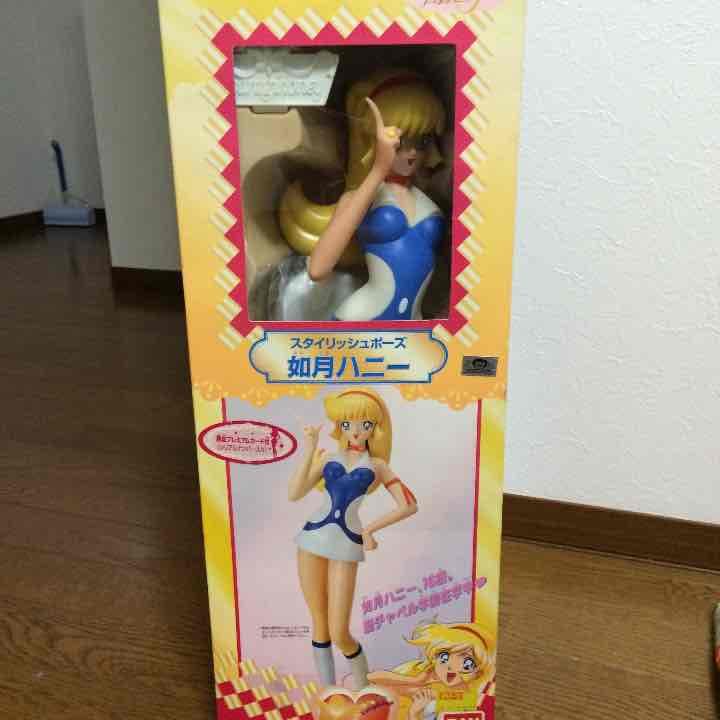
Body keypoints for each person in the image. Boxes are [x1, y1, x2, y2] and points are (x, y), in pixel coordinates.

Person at [279, 70, 446, 320]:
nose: (411, 152)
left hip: (414, 322)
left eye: (421, 141)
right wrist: (378, 169)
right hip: (363, 319)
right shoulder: (361, 197)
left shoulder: (427, 200)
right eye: (400, 140)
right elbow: (318, 268)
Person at [289, 389, 418, 688]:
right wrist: (309, 449)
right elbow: (294, 493)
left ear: (376, 428)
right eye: (348, 424)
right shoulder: (327, 458)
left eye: (365, 424)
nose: (356, 431)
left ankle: (362, 687)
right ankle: (329, 692)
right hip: (311, 539)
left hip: (347, 543)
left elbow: (409, 505)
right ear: (339, 425)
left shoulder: (378, 466)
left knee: (339, 632)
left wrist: (369, 529)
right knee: (320, 624)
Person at [367, 621, 495, 720]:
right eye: (444, 657)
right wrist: (414, 680)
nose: (451, 667)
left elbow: (471, 701)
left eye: (467, 664)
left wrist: (415, 713)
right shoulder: (427, 677)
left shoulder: (468, 698)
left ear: (478, 672)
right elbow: (372, 679)